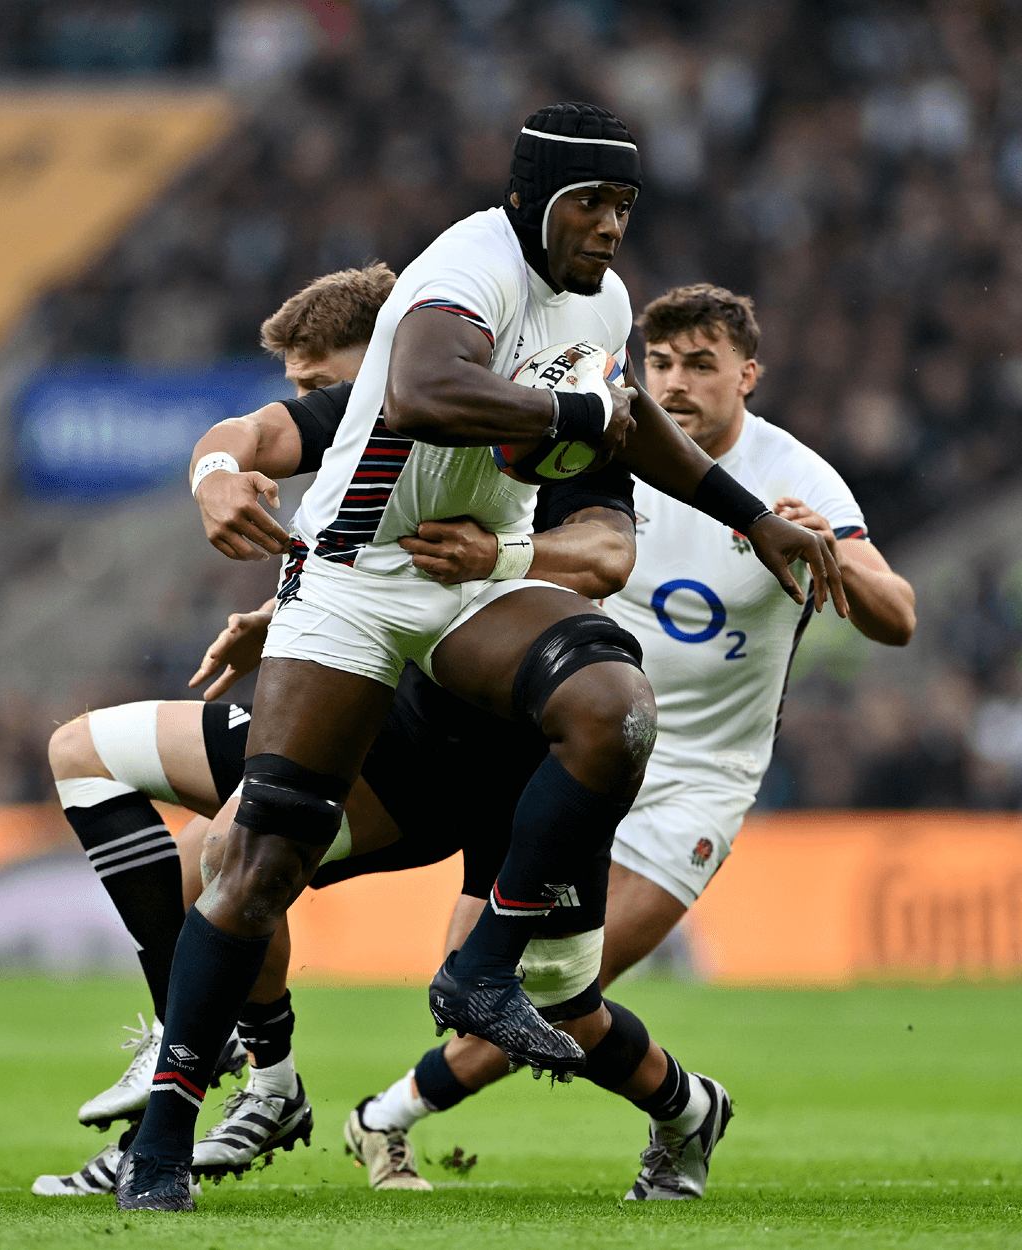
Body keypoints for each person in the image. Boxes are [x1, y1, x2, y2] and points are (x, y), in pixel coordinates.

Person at [116, 102, 846, 1212]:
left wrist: (755, 520)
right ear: (532, 197)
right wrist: (574, 408)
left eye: (623, 207)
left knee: (612, 705)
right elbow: (424, 390)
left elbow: (631, 426)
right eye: (590, 203)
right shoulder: (464, 264)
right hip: (357, 579)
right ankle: (161, 1143)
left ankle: (479, 967)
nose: (609, 227)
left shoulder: (595, 302)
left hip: (471, 586)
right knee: (255, 862)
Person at [38, 267, 642, 1193]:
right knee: (91, 760)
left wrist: (503, 554)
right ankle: (226, 1061)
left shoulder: (544, 414)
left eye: (327, 383)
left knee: (559, 990)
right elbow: (261, 446)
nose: (320, 405)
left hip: (434, 744)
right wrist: (224, 498)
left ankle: (223, 1069)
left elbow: (601, 554)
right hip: (340, 701)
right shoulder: (361, 430)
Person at [343, 283, 916, 1200]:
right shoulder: (603, 445)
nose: (675, 384)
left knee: (548, 988)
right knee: (474, 975)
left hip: (695, 776)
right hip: (577, 748)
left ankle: (386, 1117)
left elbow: (899, 618)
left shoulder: (794, 481)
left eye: (700, 365)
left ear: (747, 376)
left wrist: (834, 556)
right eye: (659, 363)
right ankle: (687, 1111)